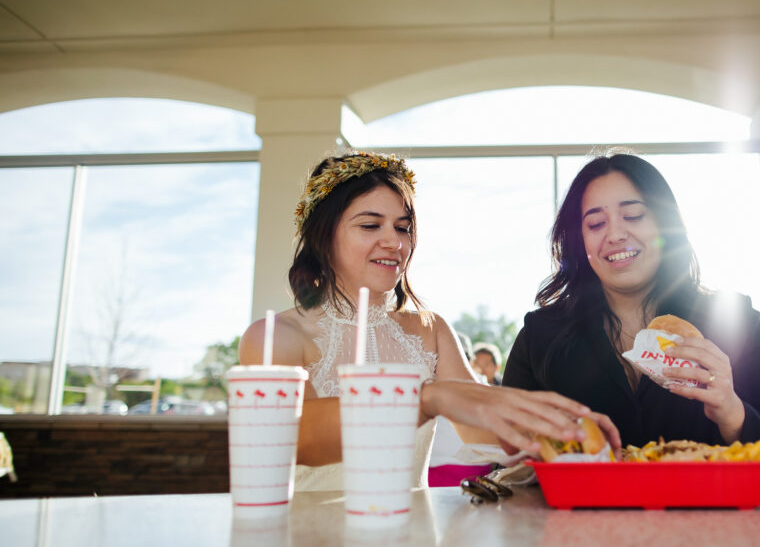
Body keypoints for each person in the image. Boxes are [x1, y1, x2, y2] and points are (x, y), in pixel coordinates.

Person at [239, 150, 620, 491]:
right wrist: (426, 398)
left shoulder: (429, 328)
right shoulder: (275, 336)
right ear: (323, 237)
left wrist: (558, 429)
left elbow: (484, 428)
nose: (395, 242)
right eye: (371, 225)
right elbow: (294, 437)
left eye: (403, 227)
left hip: (410, 546)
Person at [502, 152, 760, 483]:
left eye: (633, 215)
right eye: (596, 223)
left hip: (710, 527)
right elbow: (507, 463)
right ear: (579, 240)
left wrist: (732, 412)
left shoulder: (734, 320)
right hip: (579, 528)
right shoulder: (540, 335)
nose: (615, 234)